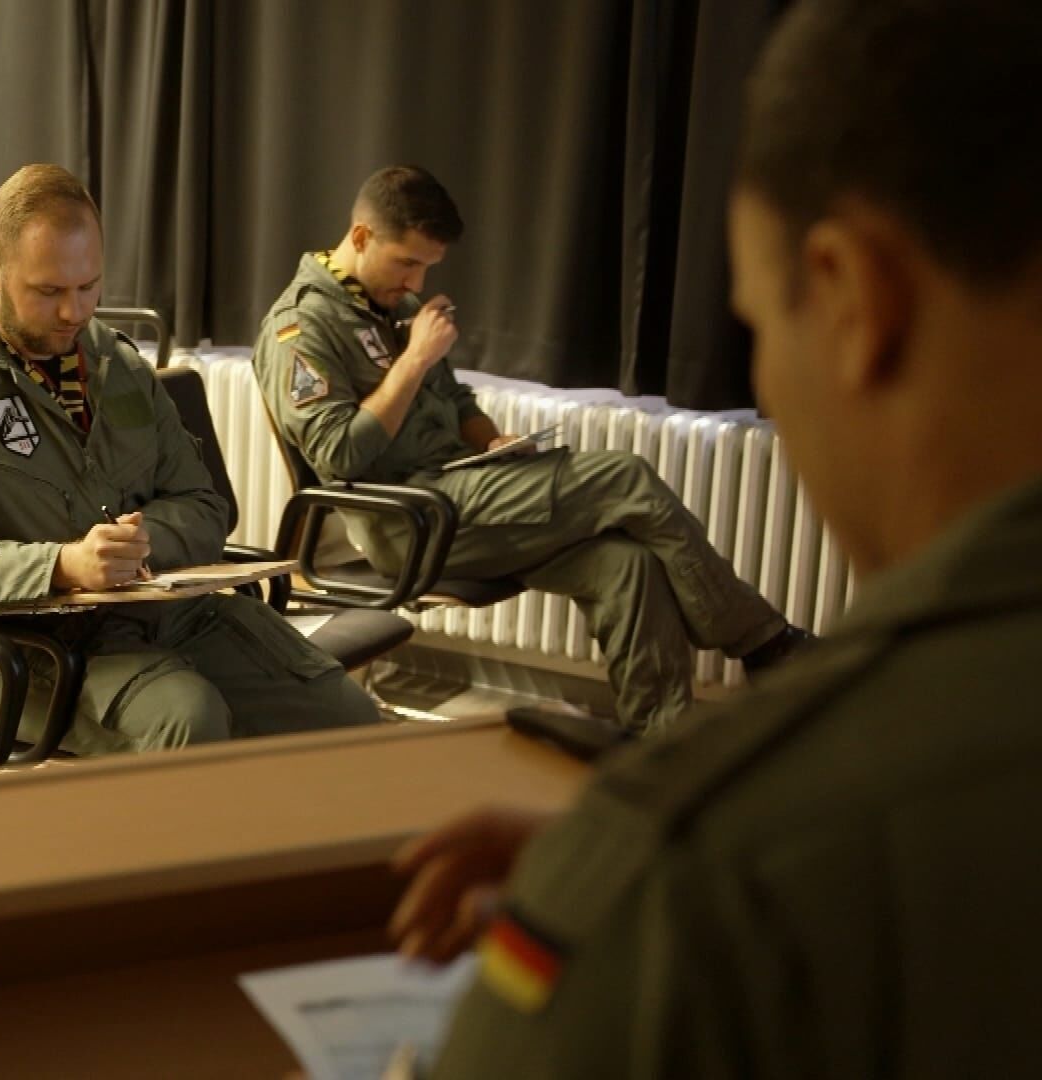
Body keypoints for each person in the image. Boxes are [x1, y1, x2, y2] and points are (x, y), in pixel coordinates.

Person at [390, 0, 1042, 1073]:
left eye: (758, 323)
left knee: (624, 550)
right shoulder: (314, 321)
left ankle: (726, 677)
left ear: (853, 299)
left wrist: (648, 883)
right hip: (404, 520)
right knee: (624, 491)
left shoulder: (704, 861)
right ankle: (762, 639)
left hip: (475, 503)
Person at [253, 166, 810, 735]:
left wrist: (491, 441)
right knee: (624, 478)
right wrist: (414, 359)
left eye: (426, 267)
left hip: (463, 495)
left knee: (627, 564)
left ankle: (658, 746)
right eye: (407, 262)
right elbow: (341, 455)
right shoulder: (299, 326)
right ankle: (762, 642)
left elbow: (457, 401)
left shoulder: (392, 307)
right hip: (409, 520)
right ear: (361, 236)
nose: (416, 282)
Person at [0, 164, 380, 755]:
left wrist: (139, 544)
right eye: (49, 292)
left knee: (344, 714)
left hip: (155, 610)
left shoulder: (114, 363)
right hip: (15, 643)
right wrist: (63, 565)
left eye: (89, 287)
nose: (74, 312)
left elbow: (203, 504)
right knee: (188, 721)